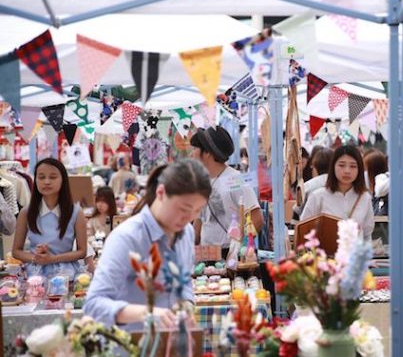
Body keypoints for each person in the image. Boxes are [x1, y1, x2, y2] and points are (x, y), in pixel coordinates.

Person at [84, 160, 211, 330]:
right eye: (183, 209)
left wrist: (186, 304)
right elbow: (93, 305)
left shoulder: (186, 233)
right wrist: (147, 312)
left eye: (197, 210)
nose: (189, 217)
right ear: (161, 193)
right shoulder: (127, 238)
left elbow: (185, 281)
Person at [12, 158, 87, 278]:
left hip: (66, 274)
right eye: (41, 177)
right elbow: (16, 251)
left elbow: (82, 251)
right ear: (35, 180)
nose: (46, 182)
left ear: (63, 180)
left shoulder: (76, 212)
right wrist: (36, 258)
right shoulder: (26, 212)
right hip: (35, 275)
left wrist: (53, 259)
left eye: (53, 177)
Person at [191, 126, 263, 250]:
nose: (192, 154)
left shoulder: (235, 179)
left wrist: (239, 248)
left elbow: (257, 218)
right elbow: (200, 220)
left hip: (228, 254)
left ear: (207, 153)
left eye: (195, 149)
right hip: (205, 256)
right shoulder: (201, 181)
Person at [300, 145, 374, 242]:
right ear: (333, 166)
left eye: (353, 166)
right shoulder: (318, 196)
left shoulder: (365, 197)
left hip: (355, 255)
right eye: (341, 165)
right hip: (325, 256)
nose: (347, 171)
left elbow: (367, 233)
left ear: (359, 169)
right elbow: (304, 229)